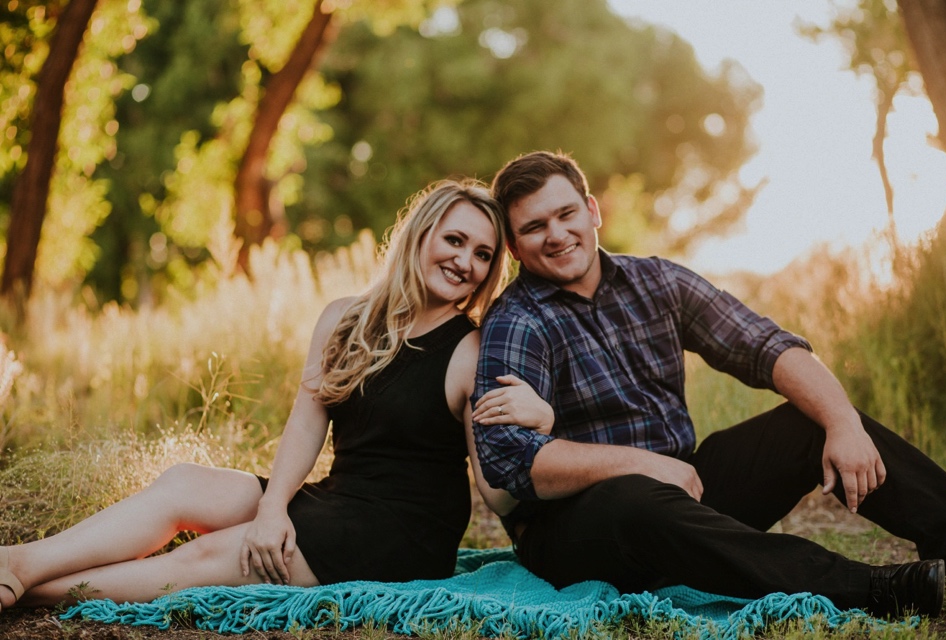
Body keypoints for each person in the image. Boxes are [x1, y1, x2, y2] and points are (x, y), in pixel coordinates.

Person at [0, 179, 554, 612]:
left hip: (400, 534)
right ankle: (22, 563)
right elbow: (307, 421)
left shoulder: (473, 350)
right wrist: (273, 508)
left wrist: (542, 426)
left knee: (212, 554)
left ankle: (29, 586)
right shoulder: (346, 318)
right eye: (455, 240)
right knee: (185, 483)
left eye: (483, 255)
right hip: (338, 497)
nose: (466, 262)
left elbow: (493, 484)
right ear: (421, 236)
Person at [471, 150, 946, 619]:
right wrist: (643, 465)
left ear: (592, 210)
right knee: (633, 497)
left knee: (808, 422)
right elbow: (507, 457)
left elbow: (765, 345)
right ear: (514, 247)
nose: (557, 235)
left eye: (566, 214)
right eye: (535, 227)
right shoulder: (515, 322)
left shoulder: (657, 281)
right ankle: (871, 589)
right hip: (577, 529)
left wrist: (842, 421)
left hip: (685, 496)